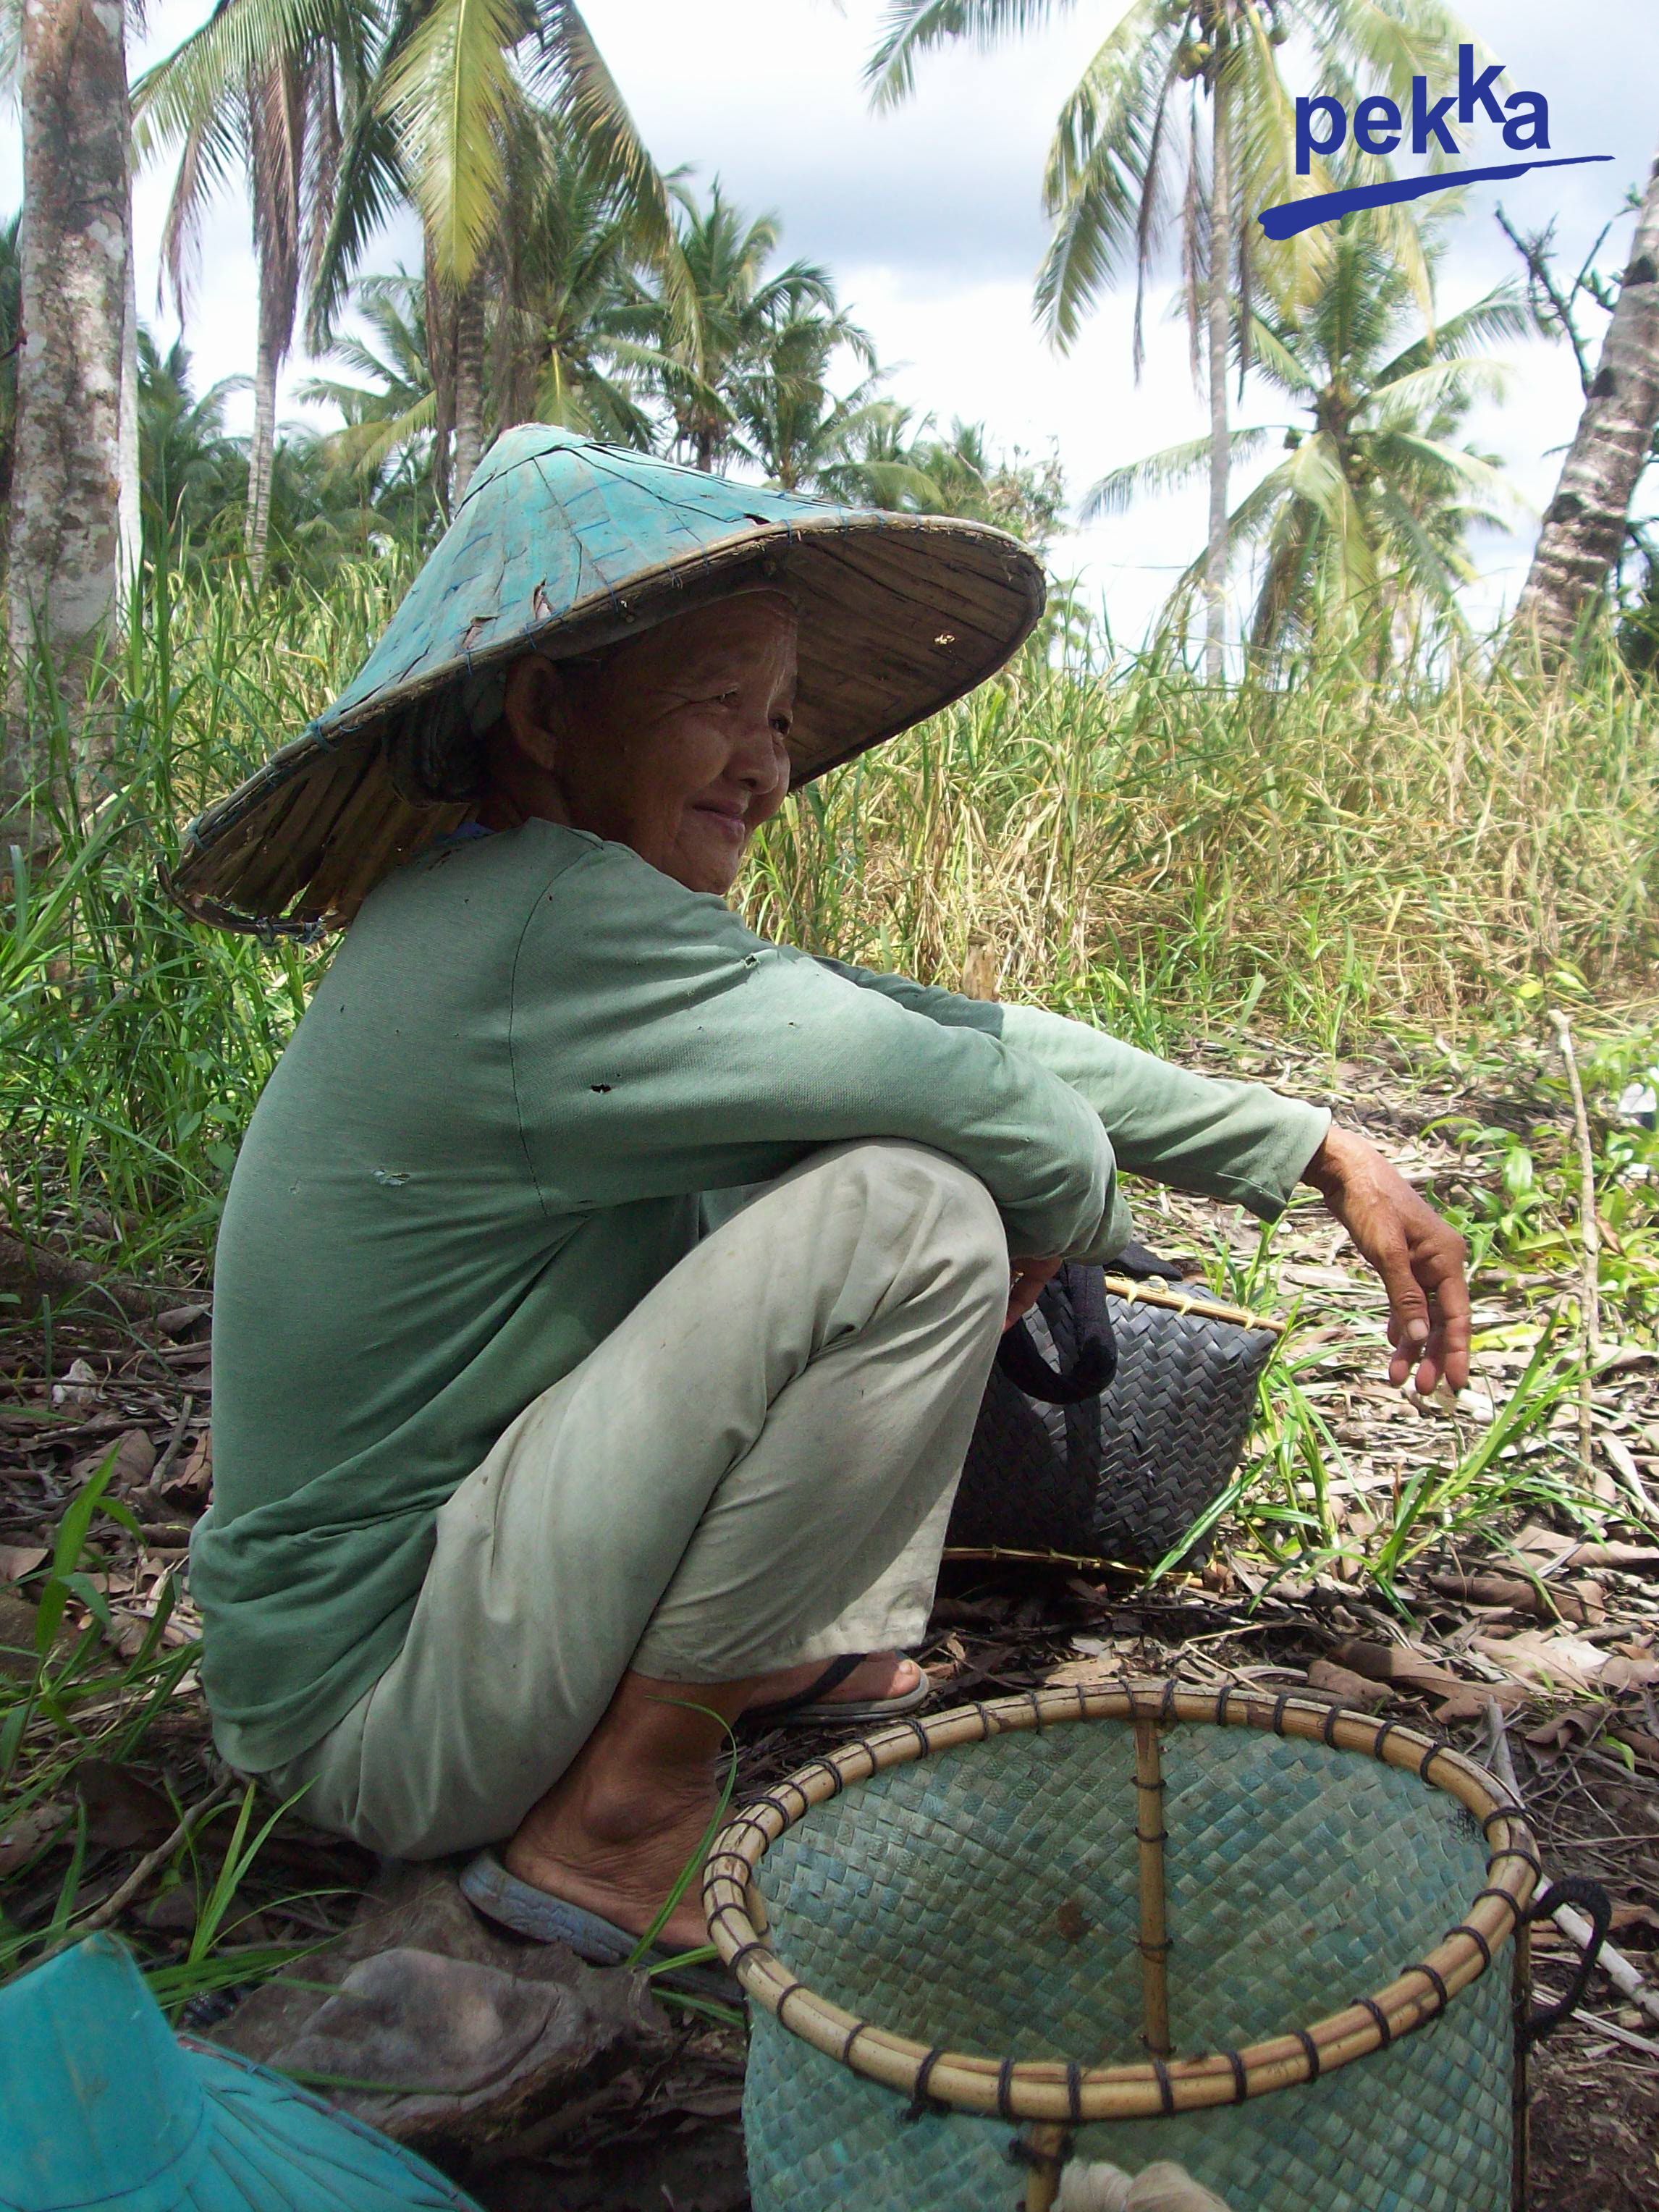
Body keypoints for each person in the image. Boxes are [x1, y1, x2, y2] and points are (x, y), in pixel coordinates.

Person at [176, 427, 1469, 1979]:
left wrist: (1313, 1145)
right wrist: (1047, 1216)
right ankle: (620, 1817)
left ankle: (784, 1646)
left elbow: (940, 1032)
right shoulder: (537, 928)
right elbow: (999, 1112)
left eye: (780, 717)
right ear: (541, 707)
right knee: (914, 1213)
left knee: (844, 1146)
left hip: (422, 1641)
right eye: (718, 703)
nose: (768, 764)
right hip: (377, 1710)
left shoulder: (527, 903)